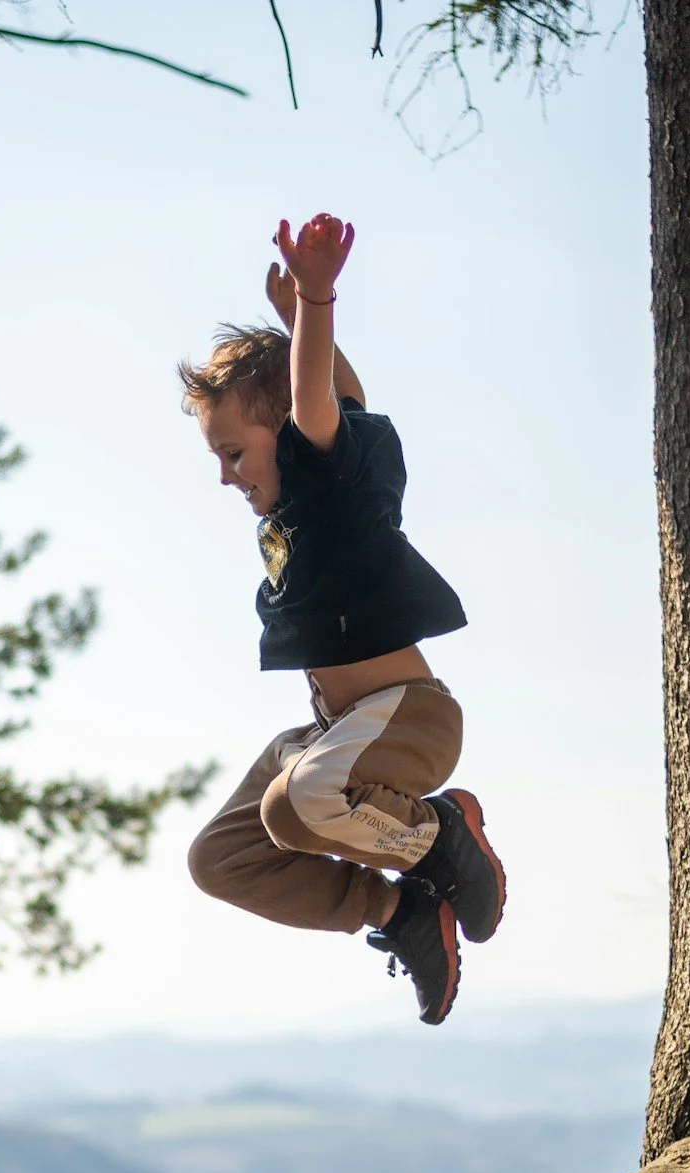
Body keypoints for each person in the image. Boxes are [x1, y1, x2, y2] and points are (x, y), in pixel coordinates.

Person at [178, 212, 506, 1024]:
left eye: (233, 454)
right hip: (337, 734)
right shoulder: (311, 490)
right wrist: (293, 320)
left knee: (295, 806)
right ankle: (401, 914)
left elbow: (321, 398)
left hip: (408, 722)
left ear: (284, 433)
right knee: (220, 857)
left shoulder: (322, 466)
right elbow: (342, 390)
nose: (225, 477)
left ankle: (441, 836)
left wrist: (318, 302)